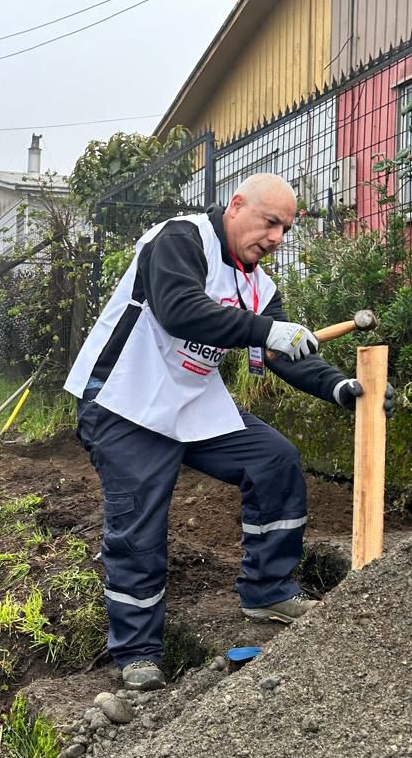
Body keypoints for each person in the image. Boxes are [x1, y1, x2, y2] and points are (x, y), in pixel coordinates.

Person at [64, 174, 394, 691]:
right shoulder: (179, 239)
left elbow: (287, 352)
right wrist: (265, 331)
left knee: (273, 460)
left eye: (286, 229)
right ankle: (137, 653)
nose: (277, 238)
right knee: (140, 526)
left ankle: (268, 591)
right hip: (126, 401)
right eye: (270, 222)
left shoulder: (258, 285)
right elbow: (180, 311)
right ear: (237, 205)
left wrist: (340, 387)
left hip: (191, 402)